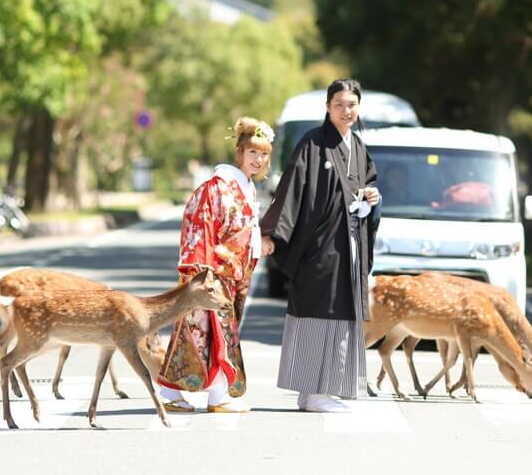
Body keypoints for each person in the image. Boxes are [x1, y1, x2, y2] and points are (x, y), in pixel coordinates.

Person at [260, 78, 381, 413]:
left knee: (341, 315)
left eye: (352, 105)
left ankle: (317, 389)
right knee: (317, 314)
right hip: (319, 249)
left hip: (348, 246)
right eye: (339, 104)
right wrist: (272, 233)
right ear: (328, 107)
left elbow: (368, 185)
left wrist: (372, 199)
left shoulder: (358, 146)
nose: (346, 111)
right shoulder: (313, 144)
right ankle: (313, 392)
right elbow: (292, 189)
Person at [156, 116, 273, 413]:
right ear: (240, 153)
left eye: (264, 154)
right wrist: (203, 271)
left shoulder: (246, 187)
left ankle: (172, 393)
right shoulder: (217, 187)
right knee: (213, 331)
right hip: (213, 273)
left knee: (198, 332)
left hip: (233, 273)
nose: (258, 160)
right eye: (253, 153)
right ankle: (217, 395)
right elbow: (201, 225)